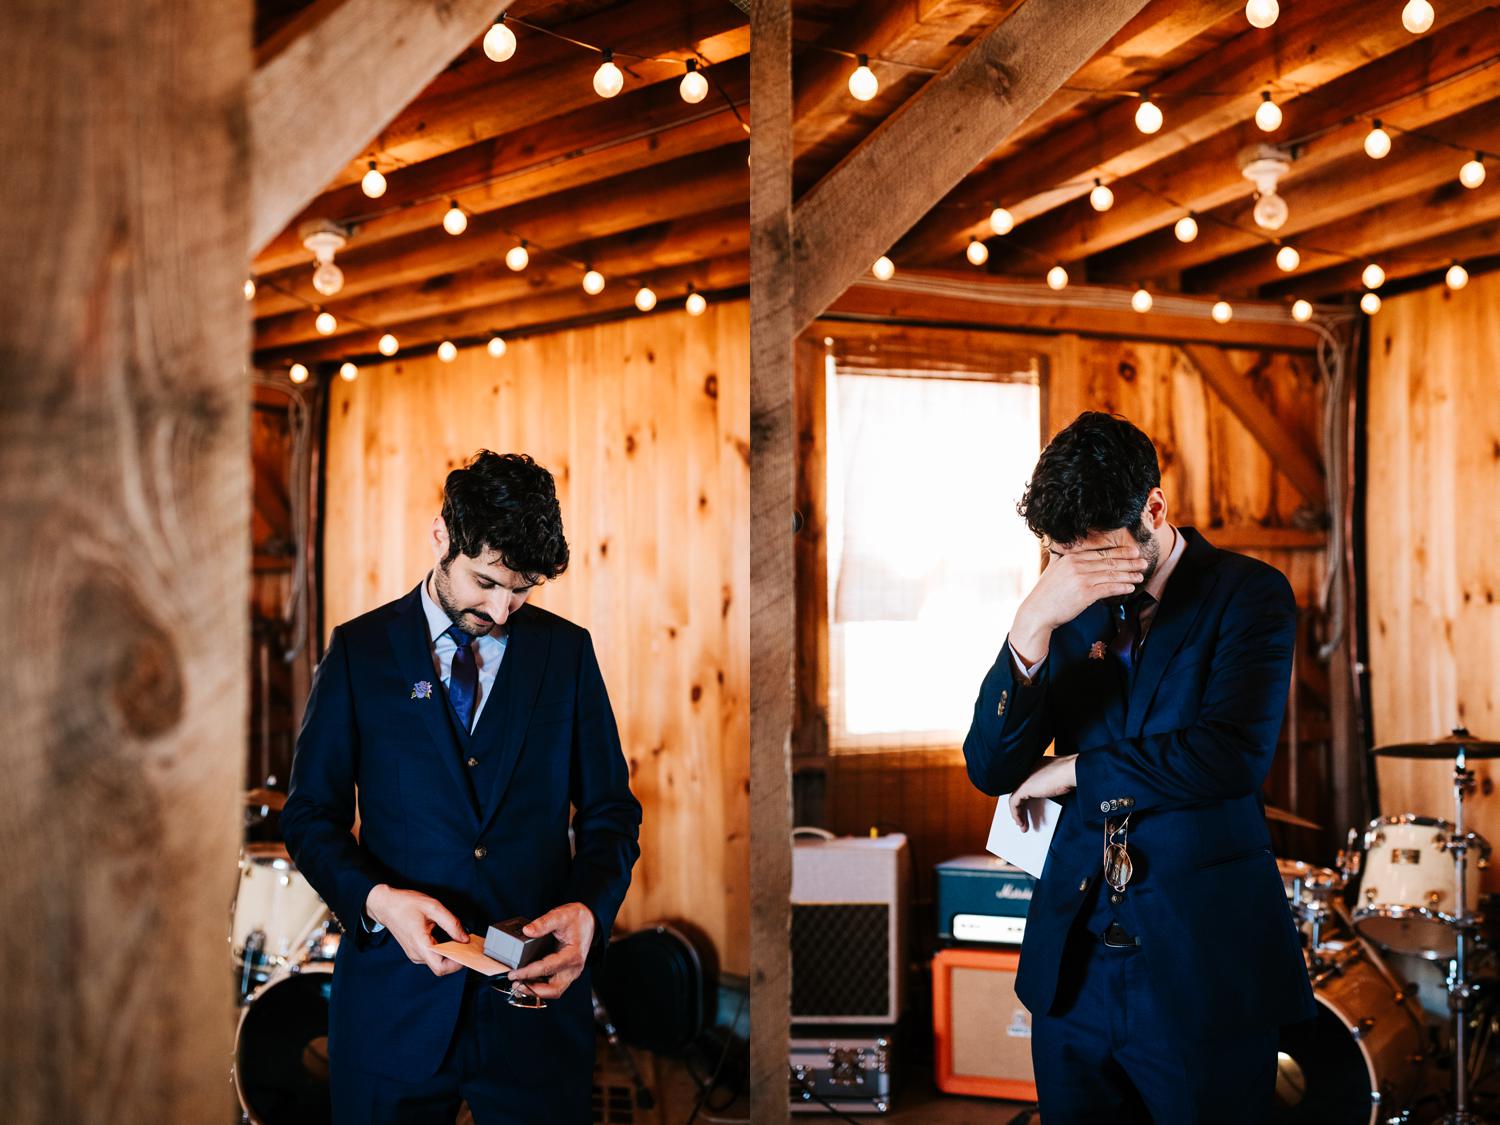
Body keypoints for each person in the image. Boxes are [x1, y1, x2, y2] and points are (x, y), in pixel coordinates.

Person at [963, 412, 1314, 1124]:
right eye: (1062, 557)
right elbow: (993, 767)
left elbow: (1229, 756)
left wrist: (1075, 772)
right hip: (1074, 969)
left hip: (1203, 966)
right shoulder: (1062, 603)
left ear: (1154, 508)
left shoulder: (1249, 594)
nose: (1077, 575)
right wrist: (1030, 627)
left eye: (1094, 555)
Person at [282, 450, 642, 1124]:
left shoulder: (567, 653)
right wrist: (377, 899)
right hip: (394, 1008)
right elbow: (308, 815)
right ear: (442, 538)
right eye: (486, 581)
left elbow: (611, 812)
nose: (503, 608)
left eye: (524, 588)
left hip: (535, 1013)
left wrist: (592, 911)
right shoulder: (358, 652)